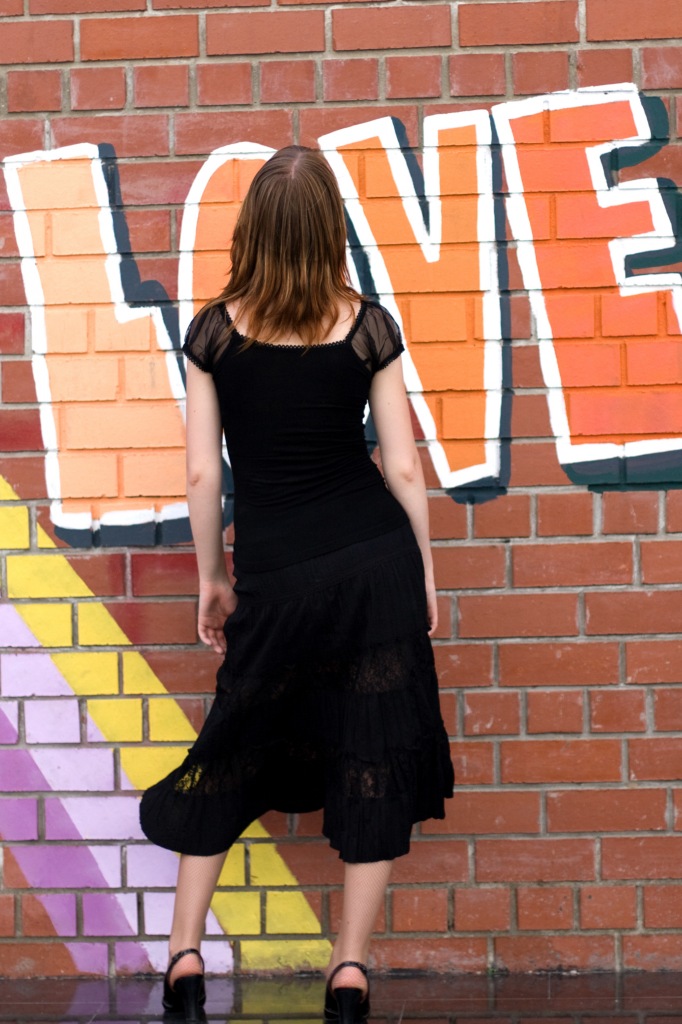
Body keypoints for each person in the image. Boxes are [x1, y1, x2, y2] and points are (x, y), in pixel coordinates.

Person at [139, 145, 455, 1024]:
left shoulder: (214, 334)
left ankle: (184, 957)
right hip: (374, 566)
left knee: (229, 749)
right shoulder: (367, 327)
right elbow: (403, 466)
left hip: (275, 576)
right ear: (328, 230)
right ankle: (348, 972)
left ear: (252, 232)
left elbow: (203, 476)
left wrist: (213, 579)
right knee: (371, 757)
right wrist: (425, 572)